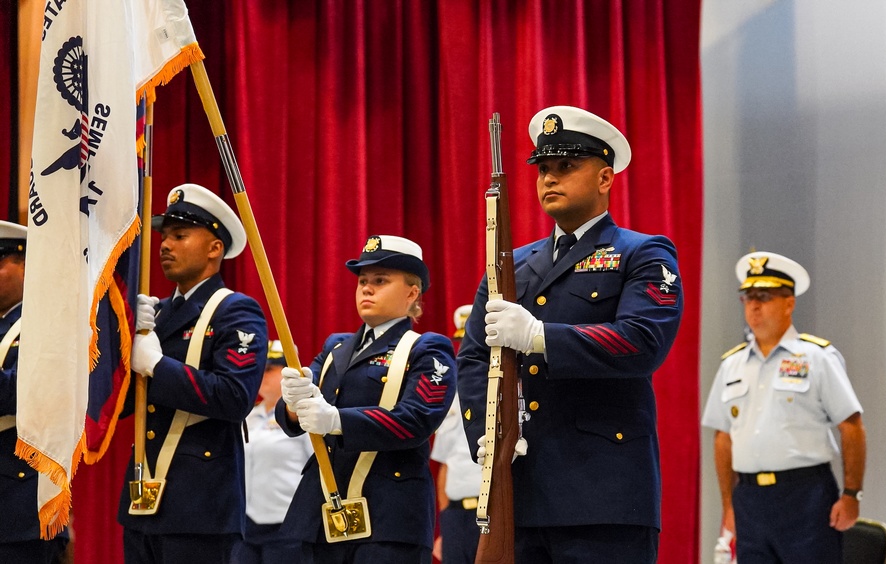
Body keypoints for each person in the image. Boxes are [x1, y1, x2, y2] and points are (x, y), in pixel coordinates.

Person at [457, 106, 684, 563]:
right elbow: (476, 359)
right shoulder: (511, 265)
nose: (549, 179)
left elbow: (642, 342)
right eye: (543, 169)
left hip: (603, 494)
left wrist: (543, 336)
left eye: (566, 166)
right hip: (521, 488)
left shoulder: (641, 253)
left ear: (604, 178)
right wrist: (488, 431)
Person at [276, 235, 457, 563]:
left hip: (388, 514)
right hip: (319, 512)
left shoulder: (427, 348)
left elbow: (416, 420)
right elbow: (296, 415)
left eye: (380, 280)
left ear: (412, 292)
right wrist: (293, 401)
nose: (367, 289)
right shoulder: (336, 347)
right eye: (362, 281)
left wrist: (336, 420)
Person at [118, 183, 268, 563]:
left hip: (200, 504)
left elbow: (233, 398)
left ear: (215, 248)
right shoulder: (157, 314)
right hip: (143, 496)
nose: (165, 245)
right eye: (164, 237)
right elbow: (126, 405)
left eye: (180, 235)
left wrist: (156, 364)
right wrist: (120, 341)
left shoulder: (235, 310)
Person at [701, 251, 867, 563]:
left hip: (805, 496)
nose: (754, 306)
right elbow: (723, 436)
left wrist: (851, 494)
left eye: (764, 296)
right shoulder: (731, 364)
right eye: (748, 297)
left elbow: (851, 425)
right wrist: (728, 504)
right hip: (750, 499)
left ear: (789, 303)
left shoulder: (817, 357)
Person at [0, 221, 70, 563]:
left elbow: (29, 394)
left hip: (20, 501)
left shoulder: (49, 326)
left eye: (0, 263)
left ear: (28, 266)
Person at [231, 340, 311, 564]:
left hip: (288, 527)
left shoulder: (303, 418)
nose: (261, 376)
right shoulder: (246, 417)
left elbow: (318, 468)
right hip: (247, 526)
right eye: (257, 370)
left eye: (268, 369)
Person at [430, 305, 480, 563]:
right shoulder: (450, 400)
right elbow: (446, 465)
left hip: (496, 514)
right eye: (461, 342)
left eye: (470, 341)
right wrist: (445, 520)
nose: (464, 350)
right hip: (456, 517)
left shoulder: (510, 389)